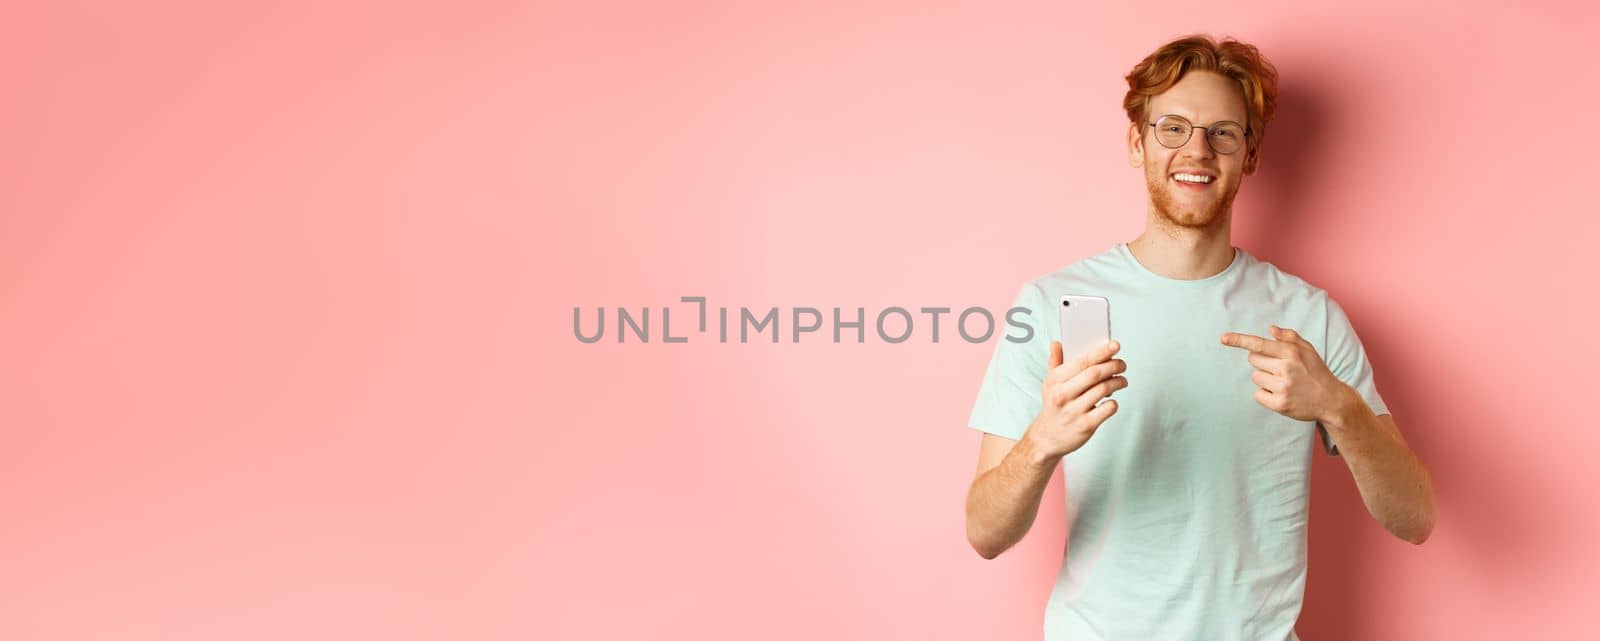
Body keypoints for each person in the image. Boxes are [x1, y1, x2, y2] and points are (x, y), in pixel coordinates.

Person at [963, 34, 1436, 641]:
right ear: (1138, 142)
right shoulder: (1049, 304)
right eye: (1173, 128)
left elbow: (1415, 518)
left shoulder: (1309, 317)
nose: (1198, 150)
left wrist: (1338, 408)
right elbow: (985, 533)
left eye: (1223, 132)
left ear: (1250, 155)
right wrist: (1043, 442)